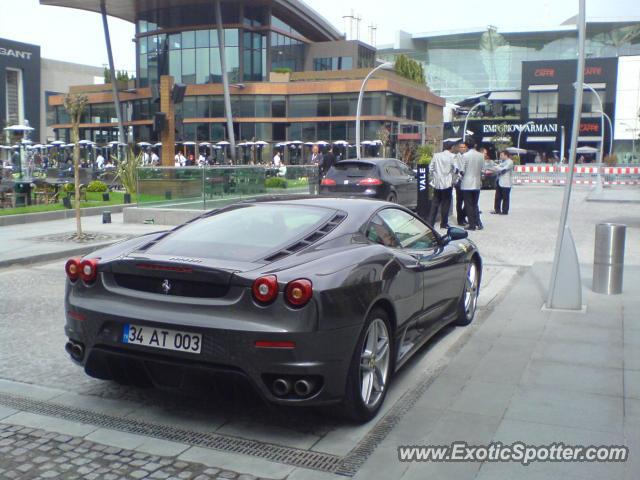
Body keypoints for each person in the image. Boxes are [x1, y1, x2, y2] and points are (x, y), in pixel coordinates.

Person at [428, 141, 455, 229]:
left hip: (437, 183)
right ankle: (443, 223)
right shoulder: (452, 156)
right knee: (446, 204)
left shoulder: (436, 155)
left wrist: (434, 177)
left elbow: (430, 168)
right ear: (451, 148)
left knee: (435, 203)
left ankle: (430, 222)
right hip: (447, 183)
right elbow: (456, 169)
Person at [459, 138, 484, 231]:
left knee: (468, 204)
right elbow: (482, 169)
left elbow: (462, 170)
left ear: (466, 146)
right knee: (475, 204)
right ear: (475, 145)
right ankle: (478, 223)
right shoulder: (481, 155)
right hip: (477, 182)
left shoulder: (464, 156)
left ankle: (472, 224)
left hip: (467, 183)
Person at [492, 150, 514, 215]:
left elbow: (503, 169)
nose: (500, 156)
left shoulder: (510, 162)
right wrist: (497, 167)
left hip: (506, 183)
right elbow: (498, 167)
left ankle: (505, 211)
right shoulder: (503, 162)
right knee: (497, 197)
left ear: (506, 155)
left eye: (501, 155)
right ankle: (497, 210)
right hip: (500, 181)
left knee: (505, 198)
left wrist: (496, 168)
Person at [452, 141, 467, 226]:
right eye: (461, 147)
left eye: (464, 147)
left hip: (467, 181)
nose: (462, 149)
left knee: (467, 201)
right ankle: (460, 220)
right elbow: (455, 168)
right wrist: (459, 173)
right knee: (459, 201)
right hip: (459, 181)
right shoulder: (455, 157)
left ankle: (463, 217)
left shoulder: (467, 156)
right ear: (458, 148)